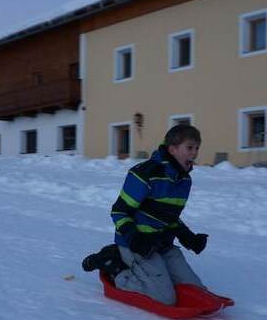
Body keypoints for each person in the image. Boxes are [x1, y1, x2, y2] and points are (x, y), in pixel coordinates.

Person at [82, 124, 209, 305]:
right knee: (165, 297)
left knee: (195, 289)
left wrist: (188, 237)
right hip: (136, 244)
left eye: (197, 148)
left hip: (162, 244)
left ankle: (150, 271)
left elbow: (169, 216)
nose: (194, 153)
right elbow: (120, 211)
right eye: (189, 148)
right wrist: (135, 239)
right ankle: (114, 264)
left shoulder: (184, 181)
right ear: (172, 149)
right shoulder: (144, 174)